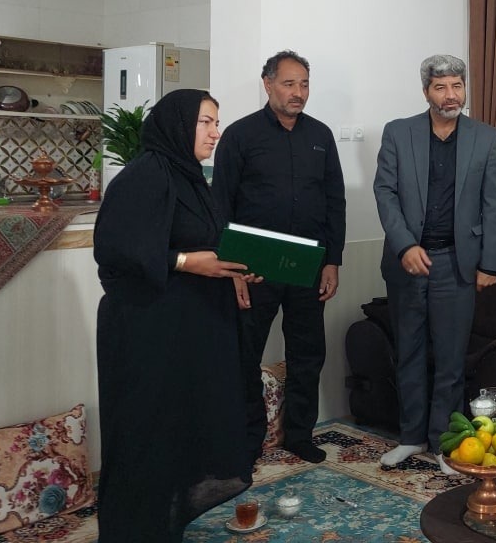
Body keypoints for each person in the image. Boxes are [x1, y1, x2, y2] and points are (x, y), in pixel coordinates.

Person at [95, 89, 255, 542]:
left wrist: (236, 268)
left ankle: (166, 528)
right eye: (205, 122)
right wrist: (186, 262)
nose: (215, 132)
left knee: (182, 431)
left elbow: (207, 242)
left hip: (187, 330)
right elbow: (115, 251)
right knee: (148, 435)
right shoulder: (143, 176)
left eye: (217, 122)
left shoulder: (193, 179)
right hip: (147, 333)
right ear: (178, 124)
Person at [213, 50, 346, 464]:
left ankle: (300, 435)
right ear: (268, 84)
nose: (298, 92)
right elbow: (221, 205)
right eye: (289, 84)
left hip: (308, 264)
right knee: (244, 355)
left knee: (308, 354)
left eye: (304, 84)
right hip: (254, 266)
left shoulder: (320, 135)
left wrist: (333, 260)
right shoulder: (240, 135)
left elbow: (335, 201)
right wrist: (231, 268)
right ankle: (247, 440)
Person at [374, 54, 496, 475]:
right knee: (409, 352)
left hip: (456, 263)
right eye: (441, 87)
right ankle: (411, 437)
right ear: (426, 91)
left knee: (450, 359)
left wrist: (490, 263)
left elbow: (493, 204)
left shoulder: (485, 137)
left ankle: (443, 444)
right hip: (408, 261)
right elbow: (385, 193)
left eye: (457, 86)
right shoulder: (398, 133)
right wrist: (405, 246)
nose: (451, 95)